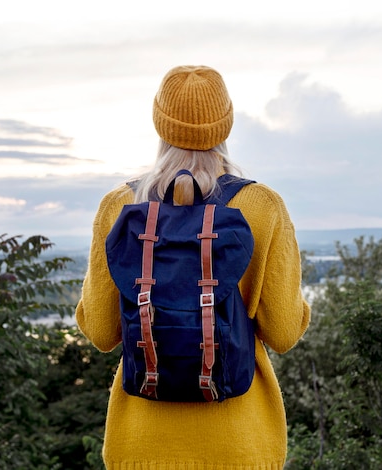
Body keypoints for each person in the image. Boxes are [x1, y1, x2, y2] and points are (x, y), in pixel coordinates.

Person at [76, 65, 311, 469]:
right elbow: (284, 333)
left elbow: (100, 332)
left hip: (142, 446)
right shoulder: (262, 207)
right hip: (239, 444)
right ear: (226, 125)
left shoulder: (119, 207)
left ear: (160, 123)